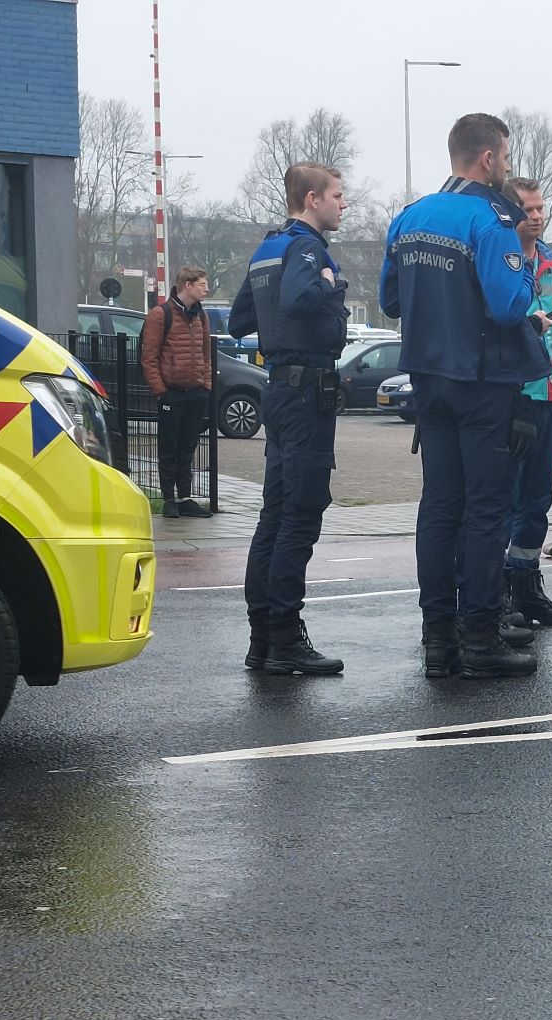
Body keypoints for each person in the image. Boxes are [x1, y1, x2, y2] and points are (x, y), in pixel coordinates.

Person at [382, 112, 552, 680]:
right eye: (503, 155)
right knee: (485, 510)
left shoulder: (409, 217)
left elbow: (390, 299)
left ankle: (438, 639)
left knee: (438, 507)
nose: (505, 164)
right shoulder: (490, 217)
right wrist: (525, 267)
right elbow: (508, 306)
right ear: (487, 158)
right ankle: (480, 636)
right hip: (482, 383)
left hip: (428, 379)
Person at [228, 163, 350, 676]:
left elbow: (238, 321)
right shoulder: (306, 249)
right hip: (306, 396)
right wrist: (330, 283)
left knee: (274, 515)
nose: (343, 205)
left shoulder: (266, 249)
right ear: (311, 198)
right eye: (337, 196)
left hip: (280, 390)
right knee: (301, 513)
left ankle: (262, 639)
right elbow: (303, 296)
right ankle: (285, 638)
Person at [503, 176, 552, 629]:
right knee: (505, 498)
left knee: (538, 499)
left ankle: (526, 584)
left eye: (540, 209)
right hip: (515, 398)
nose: (536, 217)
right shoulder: (504, 263)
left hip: (550, 398)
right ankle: (496, 590)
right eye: (528, 210)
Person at [140, 265, 216, 520]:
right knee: (169, 447)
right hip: (172, 393)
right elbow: (149, 357)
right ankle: (168, 499)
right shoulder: (161, 315)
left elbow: (206, 353)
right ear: (188, 285)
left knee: (188, 447)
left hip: (195, 392)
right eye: (203, 284)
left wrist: (205, 384)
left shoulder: (201, 315)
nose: (207, 289)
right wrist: (161, 391)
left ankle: (185, 497)